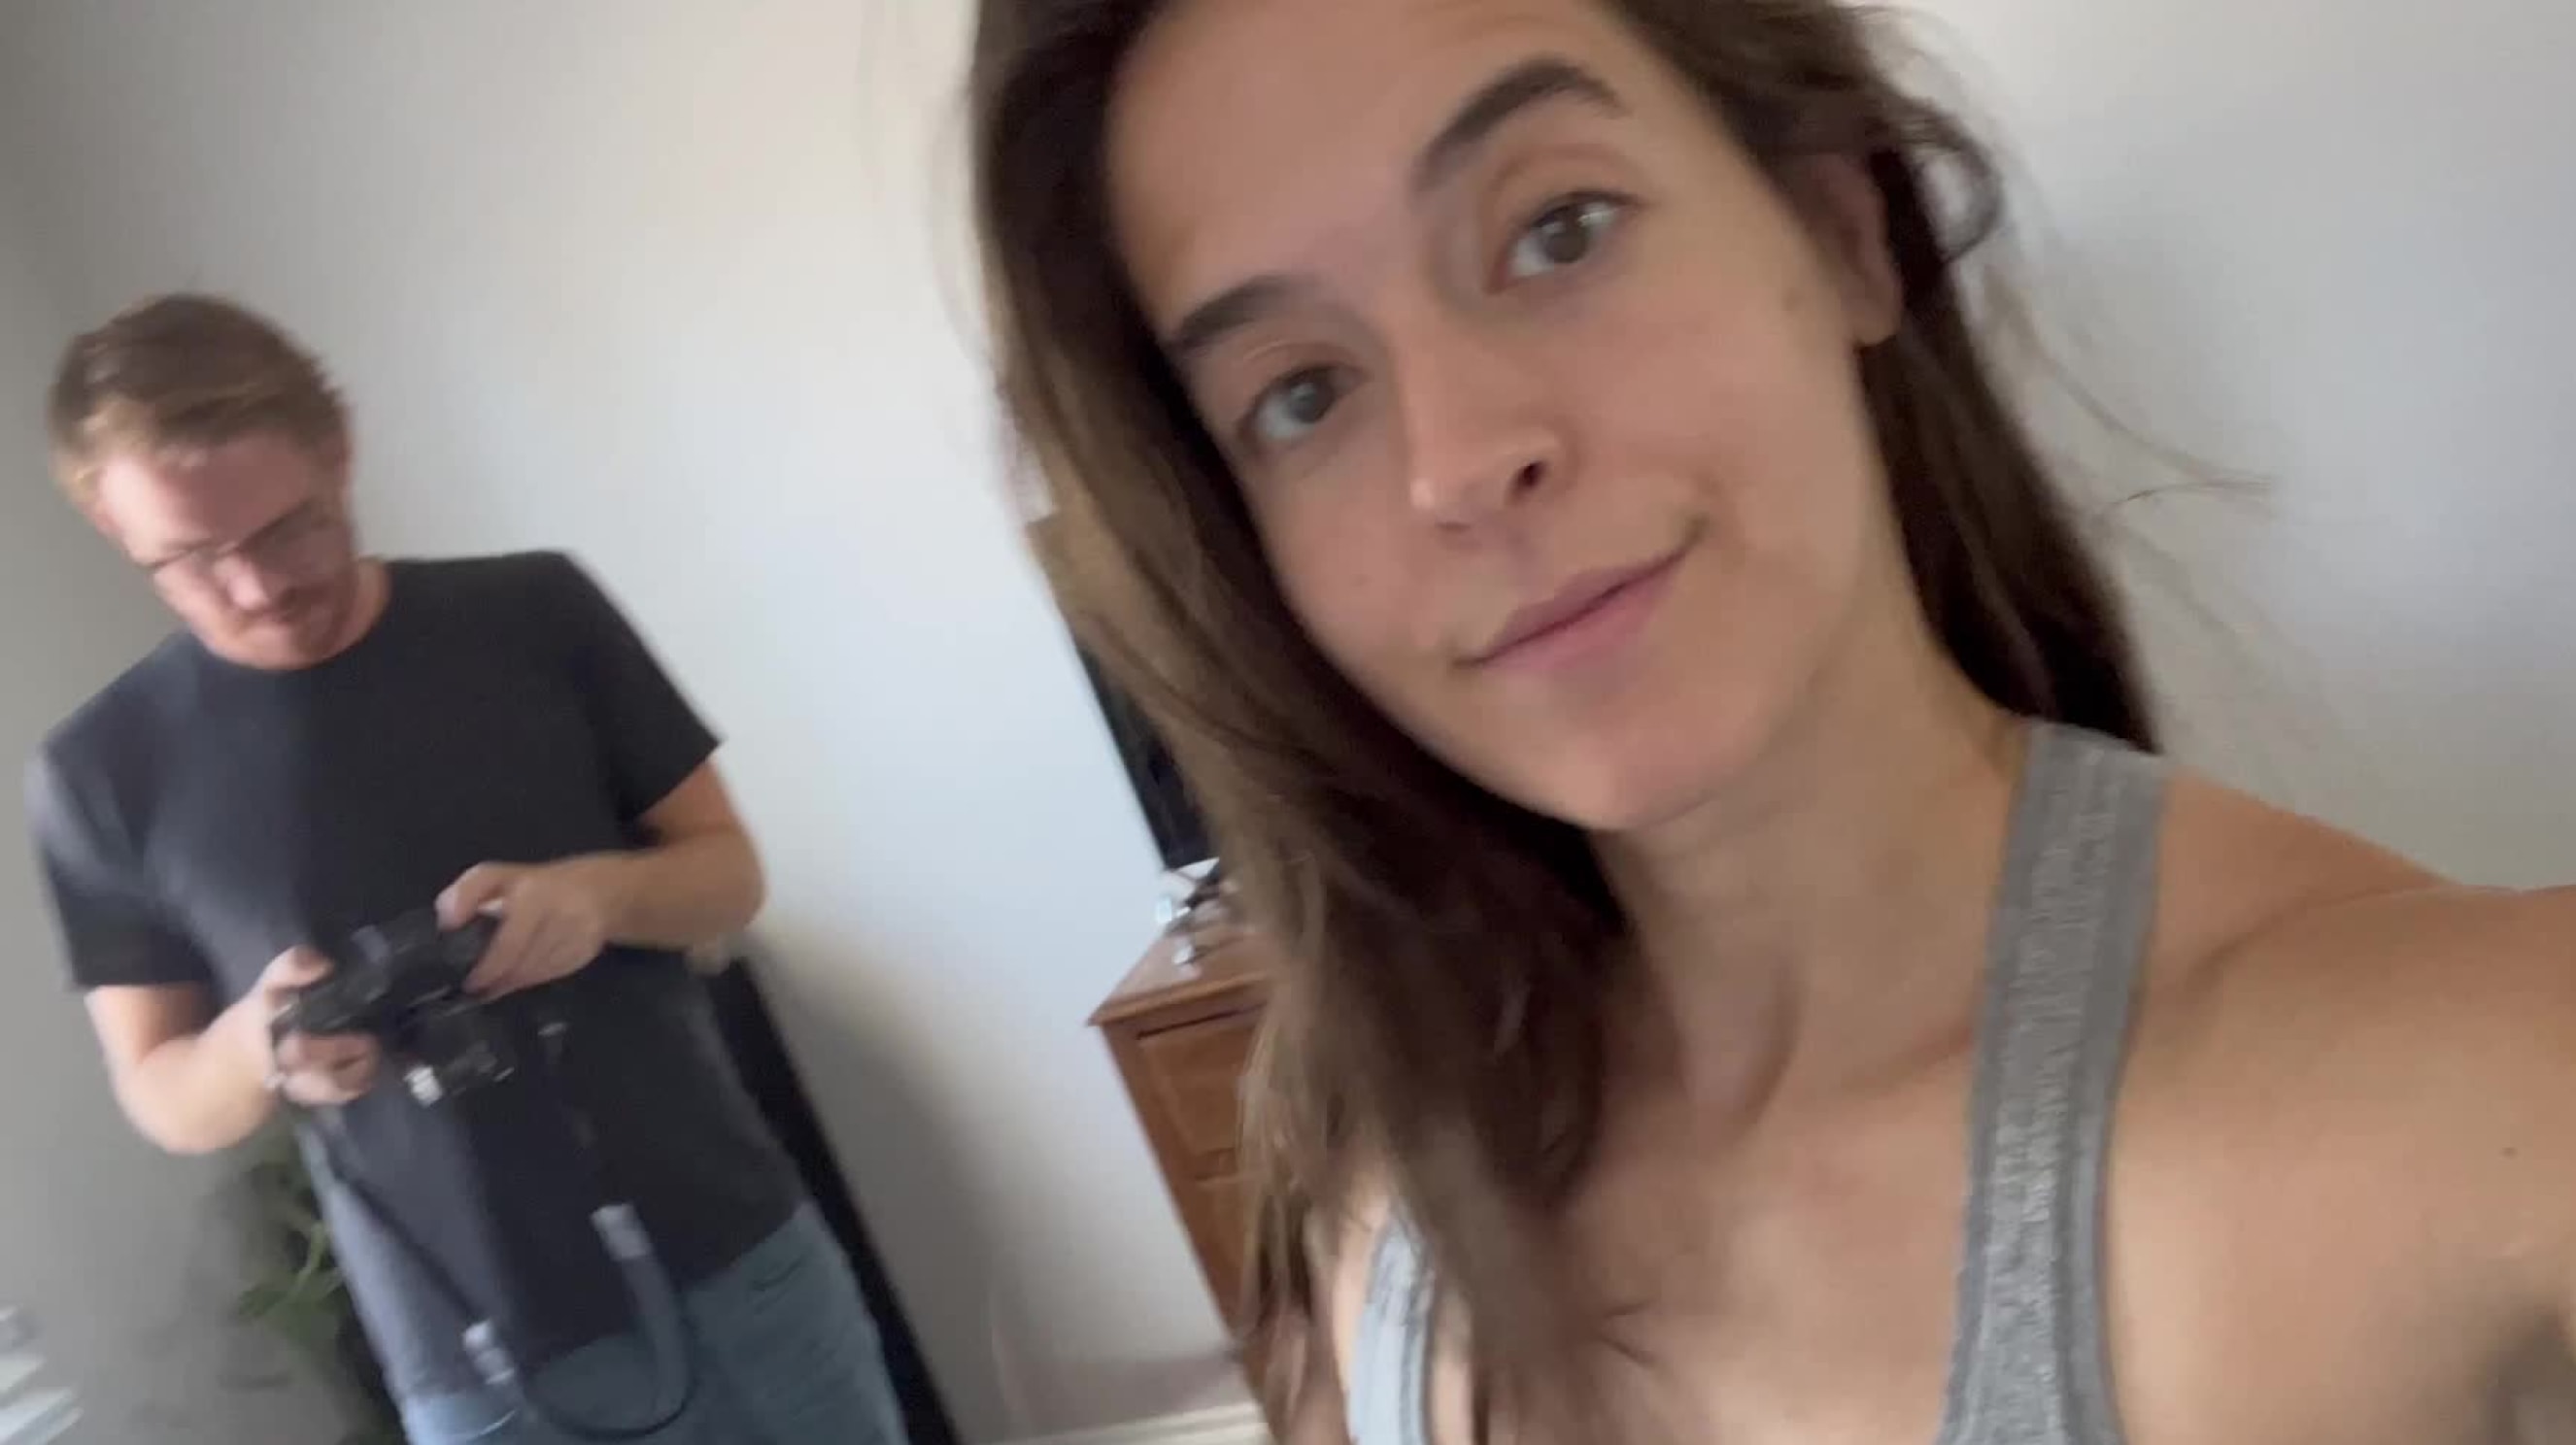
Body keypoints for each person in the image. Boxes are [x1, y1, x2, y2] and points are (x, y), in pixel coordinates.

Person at [968, 1, 2576, 1442]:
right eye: (1302, 394)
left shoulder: (2480, 1092)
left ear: (1841, 230)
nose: (1458, 461)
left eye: (1558, 229)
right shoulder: (1361, 1144)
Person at [26, 294, 909, 1445]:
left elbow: (728, 877)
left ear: (339, 450)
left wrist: (594, 898)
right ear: (109, 521)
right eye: (191, 559)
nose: (256, 588)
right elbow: (161, 1091)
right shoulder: (99, 775)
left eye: (289, 530)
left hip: (736, 1266)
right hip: (466, 1358)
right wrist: (261, 1046)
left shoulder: (536, 612)